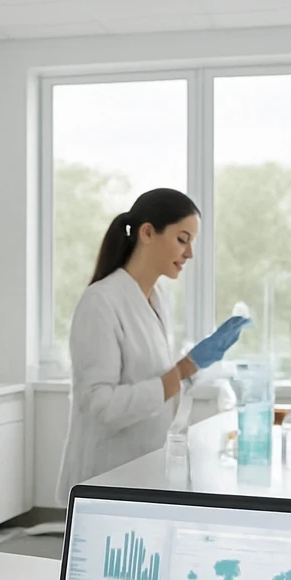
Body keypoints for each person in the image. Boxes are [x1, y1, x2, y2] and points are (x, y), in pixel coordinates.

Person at [55, 188, 249, 503]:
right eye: (182, 239)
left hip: (142, 470)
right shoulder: (100, 302)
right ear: (147, 232)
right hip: (103, 477)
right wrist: (183, 369)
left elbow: (154, 380)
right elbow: (99, 405)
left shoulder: (157, 299)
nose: (189, 253)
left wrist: (194, 367)